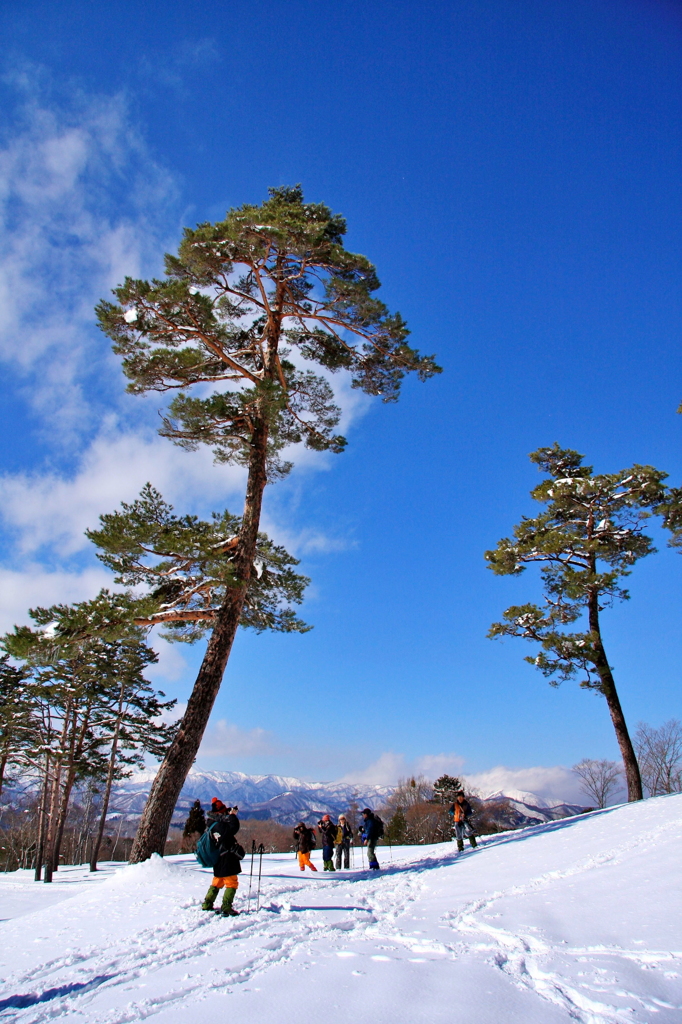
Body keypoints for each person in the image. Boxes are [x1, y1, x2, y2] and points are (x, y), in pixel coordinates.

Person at [201, 805, 243, 916]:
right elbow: (233, 828)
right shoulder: (220, 826)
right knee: (231, 883)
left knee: (218, 881)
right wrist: (232, 816)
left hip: (217, 858)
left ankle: (207, 903)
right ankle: (226, 906)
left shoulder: (211, 824)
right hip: (226, 858)